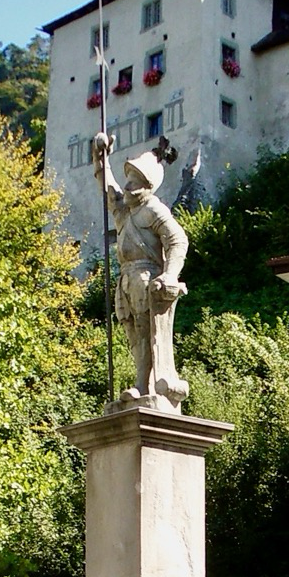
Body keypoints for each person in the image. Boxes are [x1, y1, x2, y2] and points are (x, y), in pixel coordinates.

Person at [92, 132, 189, 409]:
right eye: (128, 179)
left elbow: (178, 240)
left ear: (146, 186)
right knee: (133, 335)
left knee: (147, 332)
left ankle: (142, 384)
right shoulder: (124, 210)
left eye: (134, 181)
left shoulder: (154, 210)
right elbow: (106, 184)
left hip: (147, 277)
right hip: (126, 279)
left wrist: (170, 274)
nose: (128, 185)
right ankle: (141, 382)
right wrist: (101, 156)